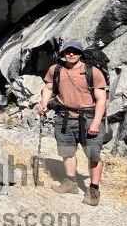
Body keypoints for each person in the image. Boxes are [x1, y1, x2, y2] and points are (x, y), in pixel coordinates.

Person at [36, 40, 107, 206]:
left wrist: (96, 122)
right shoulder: (56, 70)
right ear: (63, 53)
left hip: (88, 118)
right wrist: (43, 104)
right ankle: (71, 183)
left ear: (80, 53)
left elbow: (101, 99)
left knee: (93, 154)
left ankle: (94, 190)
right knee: (66, 151)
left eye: (74, 51)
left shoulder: (92, 72)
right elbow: (48, 88)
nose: (71, 54)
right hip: (63, 116)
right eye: (67, 51)